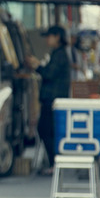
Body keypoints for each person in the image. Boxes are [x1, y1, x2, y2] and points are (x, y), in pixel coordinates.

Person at [26, 25, 71, 175]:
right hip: (52, 100)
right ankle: (53, 161)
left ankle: (54, 162)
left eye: (49, 36)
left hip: (53, 100)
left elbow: (49, 74)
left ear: (57, 36)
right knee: (48, 130)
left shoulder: (60, 54)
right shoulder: (58, 53)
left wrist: (37, 65)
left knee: (45, 129)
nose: (47, 39)